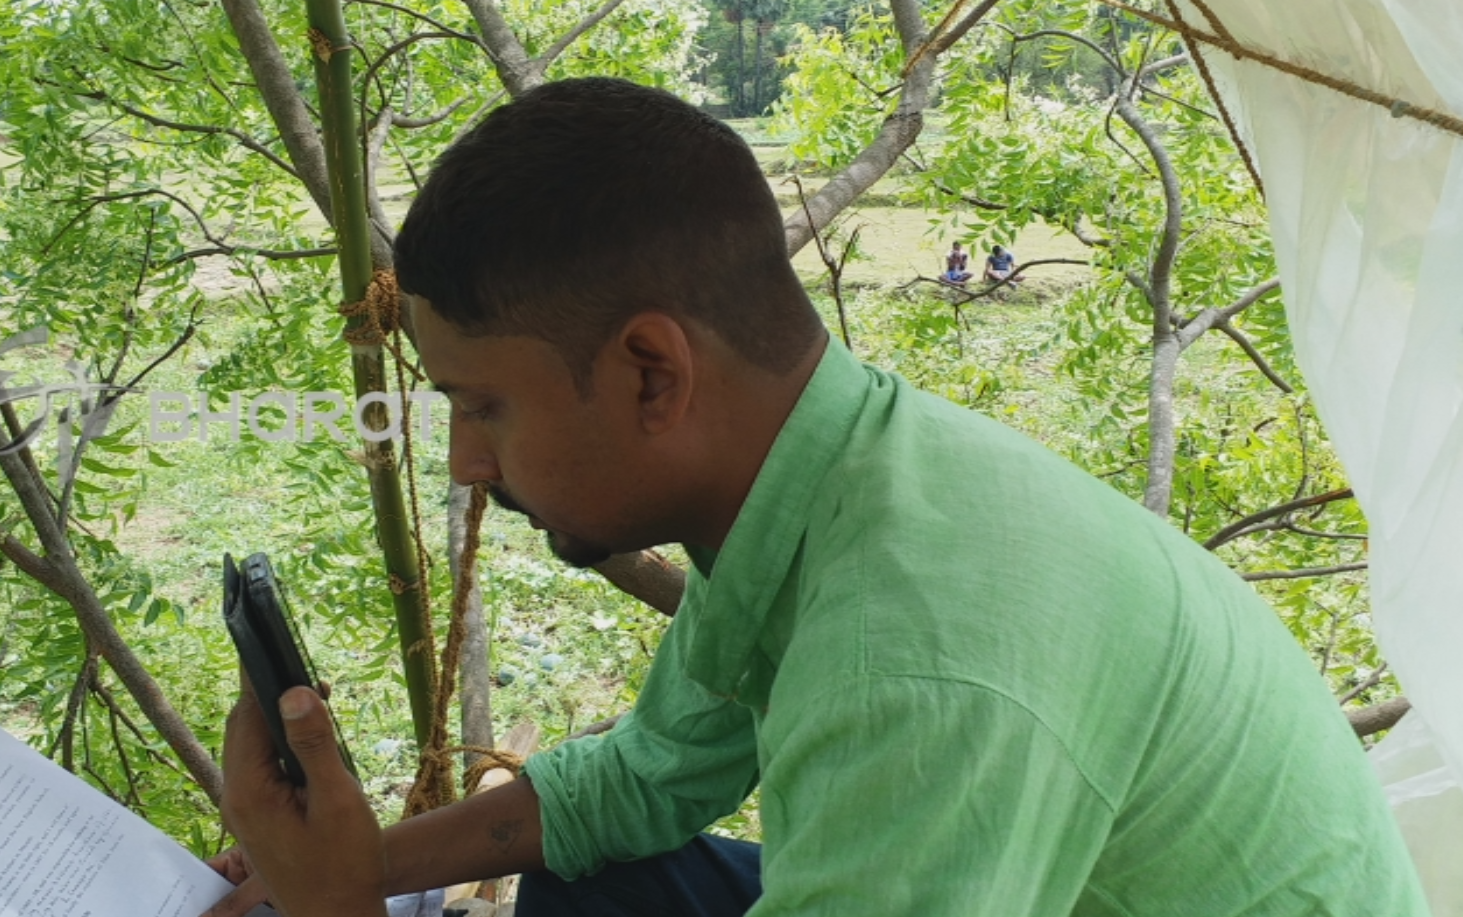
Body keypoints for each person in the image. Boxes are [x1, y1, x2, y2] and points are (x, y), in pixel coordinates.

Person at [203, 78, 1428, 917]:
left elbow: (910, 683)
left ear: (649, 372)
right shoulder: (823, 478)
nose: (467, 466)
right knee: (604, 879)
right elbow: (643, 779)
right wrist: (352, 867)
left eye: (483, 407)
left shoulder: (914, 659)